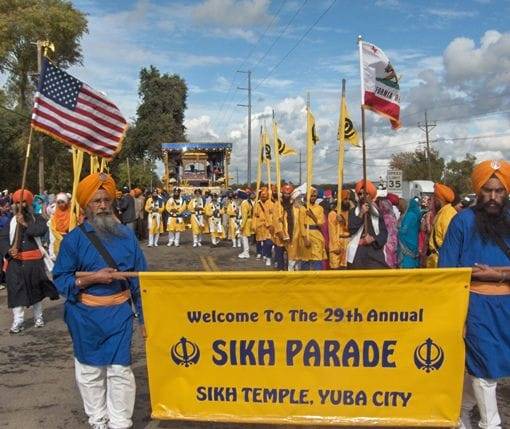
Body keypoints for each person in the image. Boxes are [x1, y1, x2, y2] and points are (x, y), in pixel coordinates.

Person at [53, 172, 147, 429]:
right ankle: (98, 420)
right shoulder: (74, 240)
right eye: (96, 201)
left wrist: (144, 317)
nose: (103, 205)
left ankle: (120, 422)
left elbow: (141, 281)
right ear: (86, 205)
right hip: (84, 317)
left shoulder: (128, 238)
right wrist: (90, 279)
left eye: (106, 200)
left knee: (120, 371)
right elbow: (60, 278)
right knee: (90, 371)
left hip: (119, 315)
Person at [439, 160, 510, 429]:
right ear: (478, 191)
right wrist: (458, 316)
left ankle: (461, 414)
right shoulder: (462, 222)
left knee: (484, 370)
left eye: (499, 191)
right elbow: (447, 272)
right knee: (485, 370)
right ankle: (491, 424)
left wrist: (499, 275)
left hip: (506, 307)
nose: (493, 197)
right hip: (475, 306)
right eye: (487, 191)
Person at [6, 189, 58, 333]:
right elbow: (3, 238)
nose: (20, 205)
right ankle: (18, 321)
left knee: (35, 290)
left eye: (23, 202)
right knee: (16, 291)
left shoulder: (37, 218)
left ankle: (38, 317)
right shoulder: (10, 221)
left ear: (29, 204)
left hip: (33, 262)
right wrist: (8, 250)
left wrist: (25, 224)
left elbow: (40, 231)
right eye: (17, 202)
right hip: (15, 262)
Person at [347, 180, 388, 269]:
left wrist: (373, 239)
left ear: (370, 195)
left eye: (365, 194)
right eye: (360, 194)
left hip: (375, 251)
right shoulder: (353, 212)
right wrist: (361, 213)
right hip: (358, 252)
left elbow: (384, 233)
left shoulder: (377, 213)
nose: (362, 196)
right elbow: (351, 229)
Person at [426, 183, 458, 268]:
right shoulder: (443, 213)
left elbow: (450, 245)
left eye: (434, 198)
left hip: (441, 262)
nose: (433, 201)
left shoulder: (447, 215)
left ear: (439, 199)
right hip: (436, 260)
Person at [299, 188, 326, 270]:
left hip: (317, 235)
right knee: (305, 260)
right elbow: (301, 224)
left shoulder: (320, 208)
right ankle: (305, 280)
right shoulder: (303, 208)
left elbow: (321, 222)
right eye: (311, 196)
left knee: (317, 259)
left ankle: (317, 280)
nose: (313, 197)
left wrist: (312, 216)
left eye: (315, 196)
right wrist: (305, 238)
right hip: (306, 235)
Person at [272, 184, 294, 270]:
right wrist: (281, 234)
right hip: (281, 235)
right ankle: (280, 270)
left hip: (291, 233)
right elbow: (276, 221)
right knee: (280, 254)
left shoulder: (293, 205)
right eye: (285, 194)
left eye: (289, 194)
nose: (287, 196)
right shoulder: (277, 205)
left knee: (291, 256)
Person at [49, 192, 76, 260]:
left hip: (70, 242)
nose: (61, 204)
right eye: (59, 202)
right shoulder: (54, 216)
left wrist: (67, 239)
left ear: (66, 203)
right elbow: (53, 229)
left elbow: (72, 229)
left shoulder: (72, 215)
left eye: (62, 202)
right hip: (58, 242)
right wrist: (61, 238)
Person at [328, 190, 351, 270]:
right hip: (337, 244)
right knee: (336, 269)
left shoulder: (350, 213)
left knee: (346, 269)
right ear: (340, 199)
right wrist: (335, 247)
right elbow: (332, 232)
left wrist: (344, 222)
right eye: (345, 199)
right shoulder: (333, 214)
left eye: (348, 199)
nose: (347, 201)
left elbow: (352, 228)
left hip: (348, 244)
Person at [397, 197, 422, 268]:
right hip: (414, 241)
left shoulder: (409, 215)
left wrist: (397, 230)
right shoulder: (416, 215)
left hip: (406, 243)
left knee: (407, 262)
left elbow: (403, 230)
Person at [253, 187, 273, 266]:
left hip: (267, 225)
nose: (263, 197)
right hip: (259, 225)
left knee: (266, 241)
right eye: (262, 195)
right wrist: (254, 225)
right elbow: (254, 216)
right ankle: (259, 252)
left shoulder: (271, 204)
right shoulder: (257, 204)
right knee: (258, 240)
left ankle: (265, 254)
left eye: (265, 195)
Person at [378, 197, 398, 268]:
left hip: (387, 241)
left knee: (388, 260)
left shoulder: (385, 217)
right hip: (394, 240)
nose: (380, 207)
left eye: (381, 206)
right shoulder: (393, 216)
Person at [238, 189, 254, 259]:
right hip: (248, 221)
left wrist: (242, 226)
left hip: (246, 222)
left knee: (244, 238)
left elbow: (244, 216)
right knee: (244, 237)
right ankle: (245, 252)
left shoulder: (244, 203)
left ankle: (246, 252)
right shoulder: (247, 202)